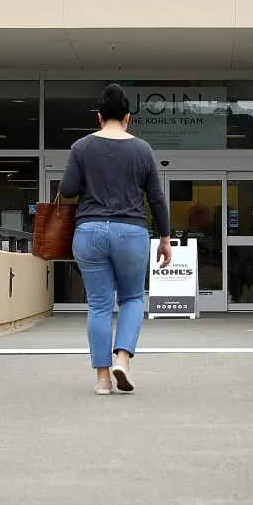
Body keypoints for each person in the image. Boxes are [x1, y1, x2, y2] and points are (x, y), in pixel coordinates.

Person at [60, 83, 172, 395]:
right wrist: (165, 238)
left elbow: (68, 189)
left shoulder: (81, 147)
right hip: (131, 232)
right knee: (133, 298)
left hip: (90, 232)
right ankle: (123, 358)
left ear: (98, 117)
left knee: (99, 304)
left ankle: (102, 379)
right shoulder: (142, 150)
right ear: (128, 117)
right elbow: (157, 200)